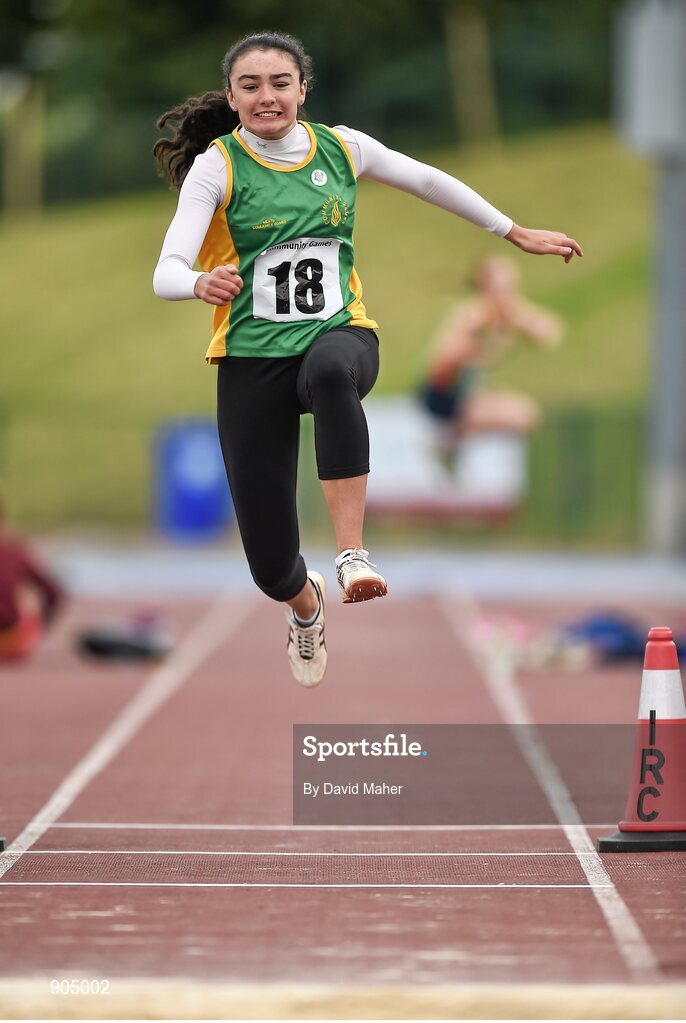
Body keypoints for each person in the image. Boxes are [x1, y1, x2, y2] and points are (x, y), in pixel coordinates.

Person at [152, 31, 583, 688]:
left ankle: (353, 553)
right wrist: (197, 282)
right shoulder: (219, 166)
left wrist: (513, 230)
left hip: (341, 335)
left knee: (330, 371)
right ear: (234, 97)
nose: (266, 96)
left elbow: (428, 180)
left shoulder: (342, 147)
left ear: (303, 88)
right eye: (251, 85)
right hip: (250, 357)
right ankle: (306, 604)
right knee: (270, 568)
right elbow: (166, 270)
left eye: (279, 82)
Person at [420, 256, 564, 460]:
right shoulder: (472, 316)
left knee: (526, 416)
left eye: (511, 289)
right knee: (522, 415)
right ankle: (450, 439)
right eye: (502, 289)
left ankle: (455, 441)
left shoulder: (508, 314)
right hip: (444, 397)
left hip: (468, 395)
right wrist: (471, 349)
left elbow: (549, 333)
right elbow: (439, 364)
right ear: (485, 289)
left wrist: (525, 322)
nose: (508, 296)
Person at [0, 495, 64, 662]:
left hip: (8, 639)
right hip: (10, 641)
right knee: (29, 612)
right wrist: (44, 625)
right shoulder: (15, 551)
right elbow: (53, 593)